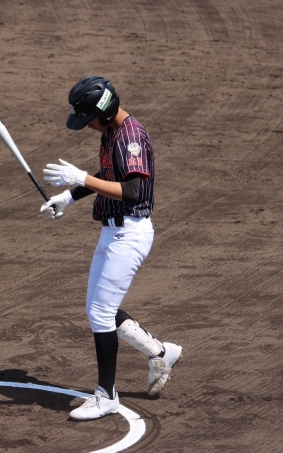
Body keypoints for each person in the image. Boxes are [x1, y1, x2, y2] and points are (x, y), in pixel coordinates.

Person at [39, 75, 183, 421]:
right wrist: (69, 197)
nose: (87, 125)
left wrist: (81, 178)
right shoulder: (112, 132)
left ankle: (107, 396)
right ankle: (160, 352)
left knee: (102, 313)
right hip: (113, 232)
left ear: (104, 112)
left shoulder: (130, 137)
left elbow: (132, 191)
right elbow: (108, 174)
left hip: (130, 234)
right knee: (98, 309)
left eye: (89, 118)